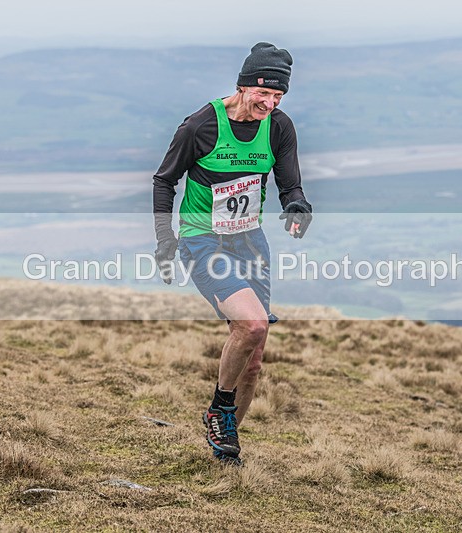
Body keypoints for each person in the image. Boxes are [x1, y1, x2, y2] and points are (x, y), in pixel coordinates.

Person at [152, 42, 313, 466]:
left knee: (255, 356)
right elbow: (164, 181)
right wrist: (165, 240)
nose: (270, 103)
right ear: (243, 86)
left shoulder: (278, 127)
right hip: (204, 240)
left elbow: (289, 183)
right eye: (264, 94)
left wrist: (297, 204)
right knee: (253, 324)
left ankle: (225, 448)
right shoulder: (200, 126)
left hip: (249, 241)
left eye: (278, 97)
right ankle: (219, 410)